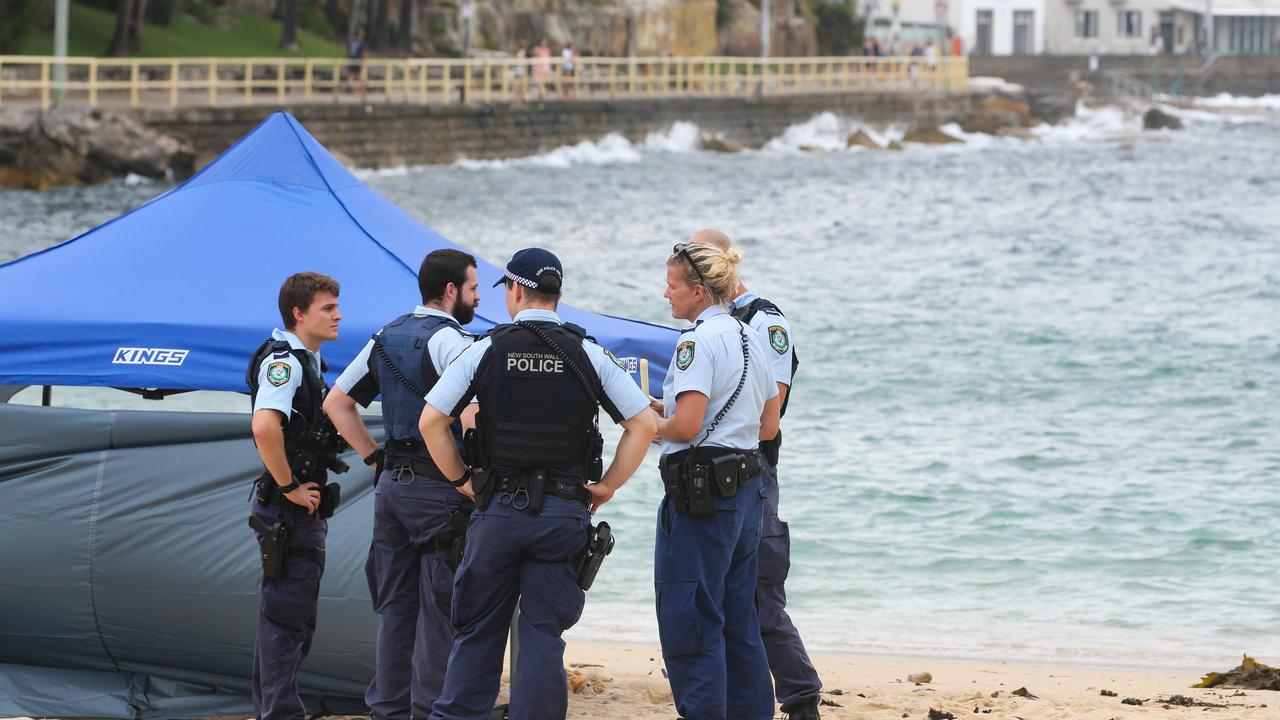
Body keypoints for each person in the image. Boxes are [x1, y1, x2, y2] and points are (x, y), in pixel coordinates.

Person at [419, 248, 656, 720]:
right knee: (543, 635)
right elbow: (644, 424)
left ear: (515, 290)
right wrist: (607, 486)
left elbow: (431, 422)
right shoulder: (588, 352)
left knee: (478, 630)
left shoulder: (486, 348)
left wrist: (463, 480)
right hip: (562, 514)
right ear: (558, 295)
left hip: (499, 513)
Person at [322, 250, 481, 720]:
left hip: (391, 487)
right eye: (473, 289)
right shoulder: (454, 343)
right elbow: (472, 414)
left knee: (395, 610)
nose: (476, 297)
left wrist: (374, 457)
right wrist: (470, 475)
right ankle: (428, 711)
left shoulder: (384, 337)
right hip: (440, 491)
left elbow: (337, 403)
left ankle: (387, 711)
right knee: (439, 612)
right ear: (450, 290)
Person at [689, 230, 822, 719]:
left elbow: (771, 414)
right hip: (720, 472)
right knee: (720, 592)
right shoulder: (714, 325)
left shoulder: (765, 322)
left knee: (760, 592)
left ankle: (802, 697)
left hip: (754, 471)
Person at [652, 238, 781, 720]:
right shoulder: (752, 335)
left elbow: (686, 427)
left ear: (700, 293)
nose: (667, 294)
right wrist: (673, 419)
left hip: (703, 496)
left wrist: (648, 425)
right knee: (737, 618)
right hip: (746, 487)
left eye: (672, 286)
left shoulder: (697, 340)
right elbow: (768, 425)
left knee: (690, 618)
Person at [247, 272, 346, 720]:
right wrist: (288, 487)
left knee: (290, 620)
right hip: (287, 512)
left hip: (293, 511)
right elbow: (264, 426)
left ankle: (274, 709)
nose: (338, 315)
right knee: (287, 621)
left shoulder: (307, 361)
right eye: (328, 308)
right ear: (298, 313)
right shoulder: (283, 362)